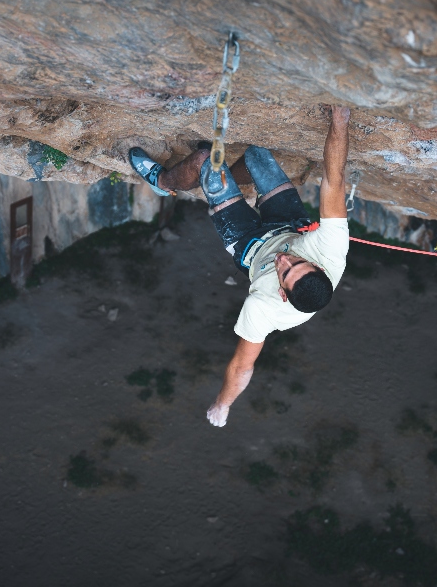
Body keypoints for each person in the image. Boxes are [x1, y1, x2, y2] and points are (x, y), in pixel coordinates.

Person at [127, 106, 351, 427]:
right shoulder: (330, 249)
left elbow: (242, 367)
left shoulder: (265, 309)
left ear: (283, 294)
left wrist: (223, 404)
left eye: (284, 272)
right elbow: (335, 180)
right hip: (290, 225)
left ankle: (164, 180)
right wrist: (340, 120)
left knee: (205, 158)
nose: (285, 260)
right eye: (297, 262)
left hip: (249, 244)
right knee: (257, 156)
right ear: (318, 266)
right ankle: (223, 183)